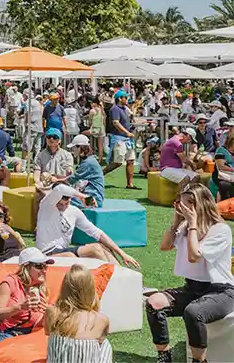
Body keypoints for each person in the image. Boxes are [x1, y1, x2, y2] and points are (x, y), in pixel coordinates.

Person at [146, 182, 234, 363]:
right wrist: (176, 222)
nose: (182, 206)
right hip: (193, 287)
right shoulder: (185, 226)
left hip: (221, 291)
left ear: (200, 204)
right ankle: (164, 355)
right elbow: (165, 246)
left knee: (193, 312)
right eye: (180, 202)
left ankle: (199, 361)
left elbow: (194, 256)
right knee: (154, 303)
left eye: (187, 203)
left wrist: (192, 224)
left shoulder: (220, 230)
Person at [36, 184, 140, 267]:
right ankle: (114, 281)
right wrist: (82, 196)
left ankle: (125, 277)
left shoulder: (74, 211)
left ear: (70, 199)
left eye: (66, 203)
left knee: (104, 246)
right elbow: (60, 188)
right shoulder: (46, 206)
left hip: (63, 250)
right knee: (95, 249)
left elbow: (97, 233)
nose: (63, 207)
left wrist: (122, 254)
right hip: (48, 252)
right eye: (59, 204)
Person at [45, 264, 113, 363]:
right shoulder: (101, 320)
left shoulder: (51, 312)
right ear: (90, 289)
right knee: (105, 344)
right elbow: (100, 340)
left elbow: (47, 332)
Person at [102, 90, 137, 189]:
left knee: (130, 161)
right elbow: (115, 123)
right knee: (117, 162)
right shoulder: (115, 109)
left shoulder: (124, 108)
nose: (127, 99)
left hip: (126, 139)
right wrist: (127, 132)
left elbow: (129, 118)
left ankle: (130, 185)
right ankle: (99, 174)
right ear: (119, 99)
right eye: (125, 97)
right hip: (119, 139)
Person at [66, 134, 105, 209]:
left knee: (62, 198)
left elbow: (69, 181)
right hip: (93, 197)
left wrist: (54, 178)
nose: (72, 150)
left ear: (79, 147)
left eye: (73, 148)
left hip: (93, 199)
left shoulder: (88, 163)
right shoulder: (89, 160)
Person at [213, 133, 234, 200]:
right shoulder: (221, 150)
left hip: (232, 175)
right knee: (225, 185)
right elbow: (221, 166)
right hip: (221, 175)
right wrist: (233, 169)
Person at [88, 96, 106, 163]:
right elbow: (104, 119)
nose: (90, 104)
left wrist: (90, 127)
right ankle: (100, 160)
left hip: (94, 129)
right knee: (100, 146)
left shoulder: (92, 111)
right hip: (102, 129)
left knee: (83, 134)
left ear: (94, 103)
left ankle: (90, 155)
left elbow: (90, 121)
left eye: (91, 103)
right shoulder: (101, 110)